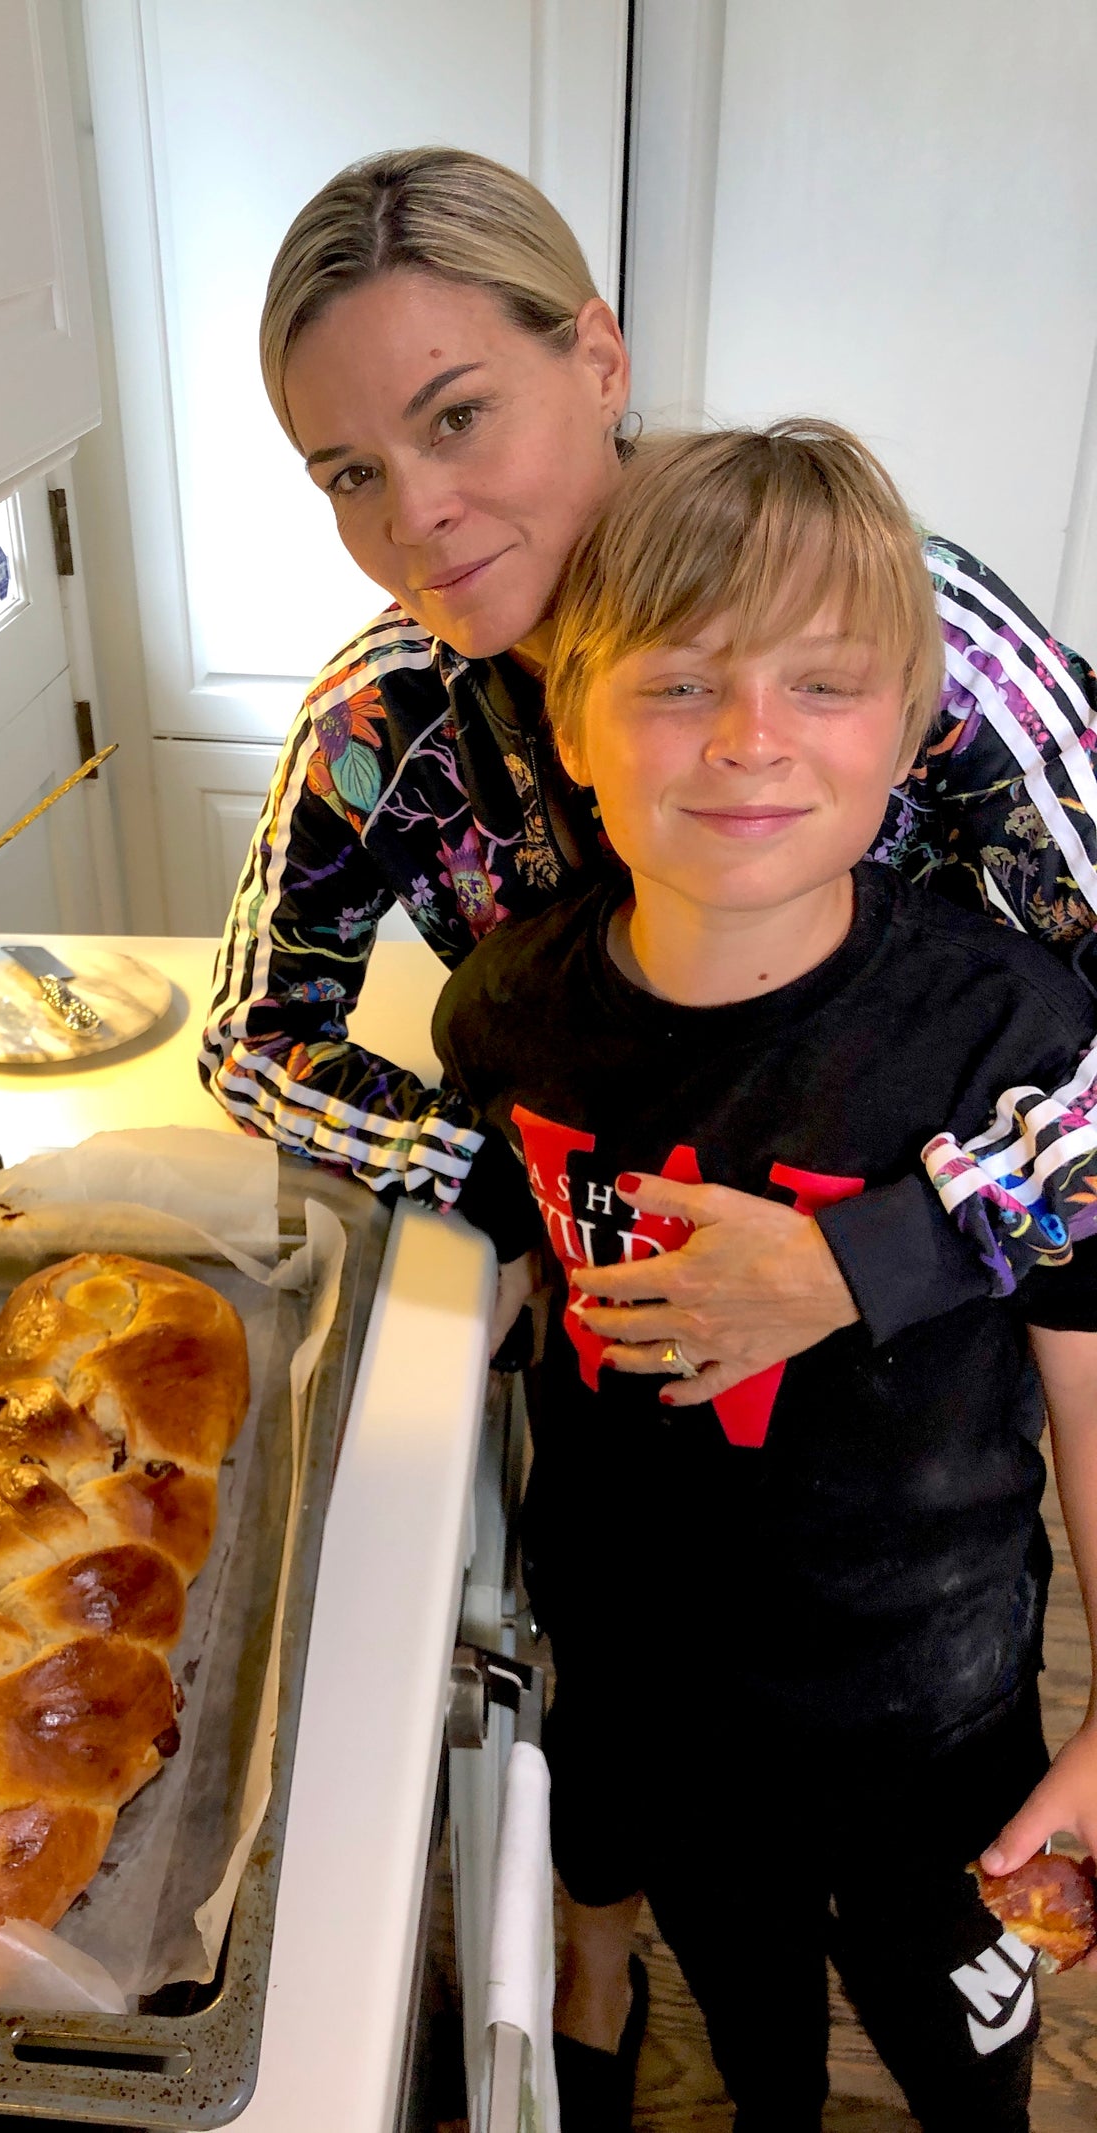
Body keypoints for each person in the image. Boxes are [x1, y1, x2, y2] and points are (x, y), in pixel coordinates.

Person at [198, 145, 1097, 2105]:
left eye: (457, 417)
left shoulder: (899, 631)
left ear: (590, 353)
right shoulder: (385, 717)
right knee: (692, 1866)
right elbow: (250, 1033)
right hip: (646, 1496)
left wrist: (867, 1255)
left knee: (950, 1970)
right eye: (348, 471)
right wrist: (504, 1187)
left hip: (920, 1481)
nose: (415, 512)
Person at [432, 419, 1097, 2131]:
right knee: (751, 2051)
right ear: (574, 722)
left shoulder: (1007, 1037)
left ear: (909, 732)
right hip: (657, 1698)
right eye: (678, 685)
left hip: (937, 1713)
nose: (747, 743)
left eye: (822, 684)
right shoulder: (505, 1009)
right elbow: (509, 1243)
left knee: (970, 2074)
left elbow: (1096, 1391)